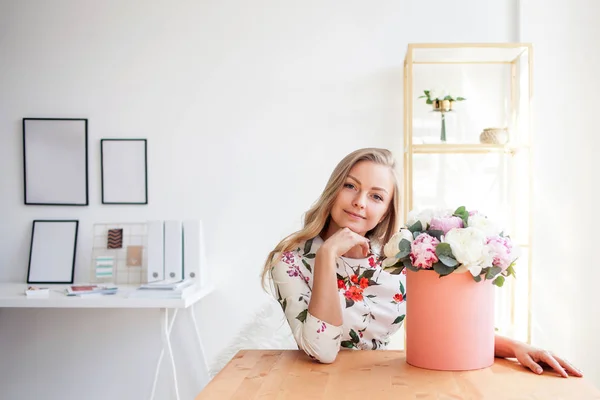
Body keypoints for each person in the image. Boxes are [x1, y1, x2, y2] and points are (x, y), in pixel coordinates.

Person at [261, 147, 582, 378]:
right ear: (334, 190)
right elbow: (323, 351)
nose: (359, 202)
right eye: (350, 186)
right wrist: (327, 257)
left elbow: (444, 324)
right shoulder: (289, 260)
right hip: (318, 386)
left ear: (387, 210)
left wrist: (517, 347)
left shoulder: (395, 258)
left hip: (389, 381)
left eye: (376, 196)